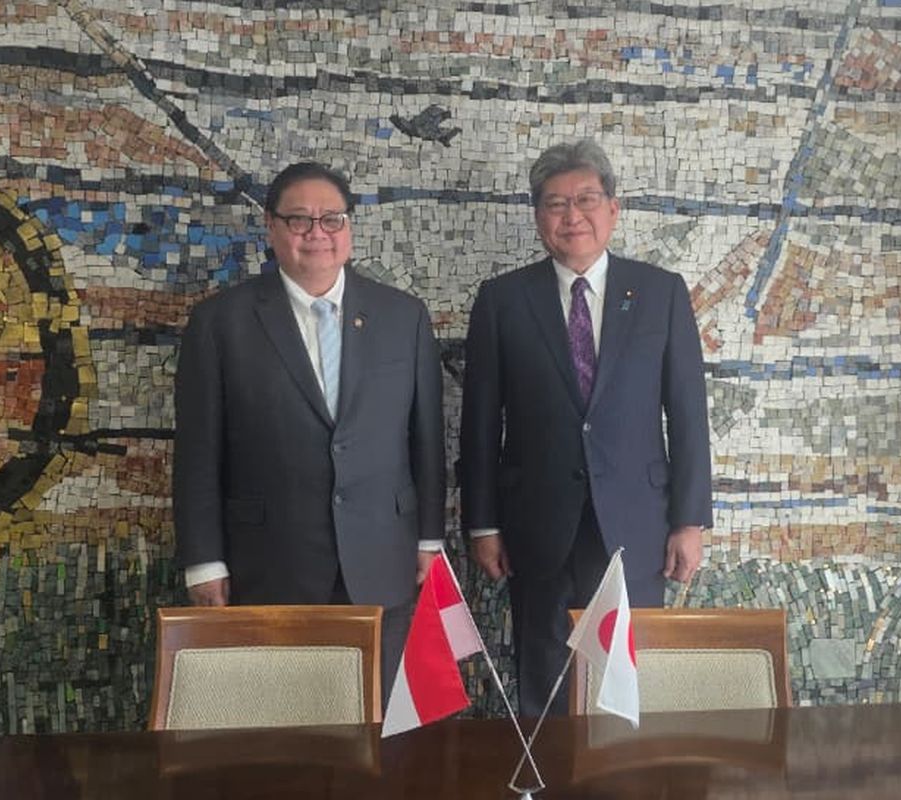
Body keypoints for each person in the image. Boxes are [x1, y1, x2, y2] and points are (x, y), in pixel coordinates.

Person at [459, 139, 713, 717]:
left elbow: (688, 413)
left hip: (636, 522)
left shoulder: (660, 293)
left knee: (626, 676)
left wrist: (690, 520)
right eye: (554, 204)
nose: (572, 216)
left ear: (613, 210)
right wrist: (482, 523)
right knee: (544, 672)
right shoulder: (502, 300)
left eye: (586, 199)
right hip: (536, 523)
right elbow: (480, 423)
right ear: (537, 218)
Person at [173, 162, 446, 693]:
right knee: (288, 730)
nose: (317, 234)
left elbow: (426, 440)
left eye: (332, 219)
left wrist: (430, 539)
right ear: (271, 229)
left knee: (380, 722)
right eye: (299, 220)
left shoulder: (403, 317)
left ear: (350, 229)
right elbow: (198, 454)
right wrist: (204, 562)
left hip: (383, 560)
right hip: (272, 565)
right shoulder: (220, 323)